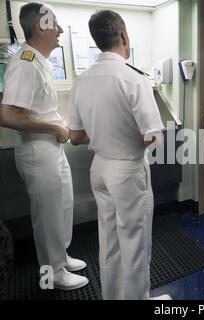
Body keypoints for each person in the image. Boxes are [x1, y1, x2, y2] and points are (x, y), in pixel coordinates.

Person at [68, 10, 171, 300]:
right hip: (127, 170)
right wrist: (123, 136)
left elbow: (75, 136)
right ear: (124, 36)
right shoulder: (133, 78)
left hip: (99, 168)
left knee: (110, 240)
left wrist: (103, 135)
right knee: (135, 245)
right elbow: (152, 136)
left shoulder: (82, 80)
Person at [0, 2, 88, 290]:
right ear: (41, 26)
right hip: (38, 150)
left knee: (62, 206)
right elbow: (9, 114)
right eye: (56, 24)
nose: (60, 30)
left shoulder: (39, 62)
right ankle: (52, 275)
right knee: (48, 215)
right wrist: (53, 127)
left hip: (51, 147)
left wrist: (56, 128)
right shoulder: (25, 62)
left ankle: (60, 258)